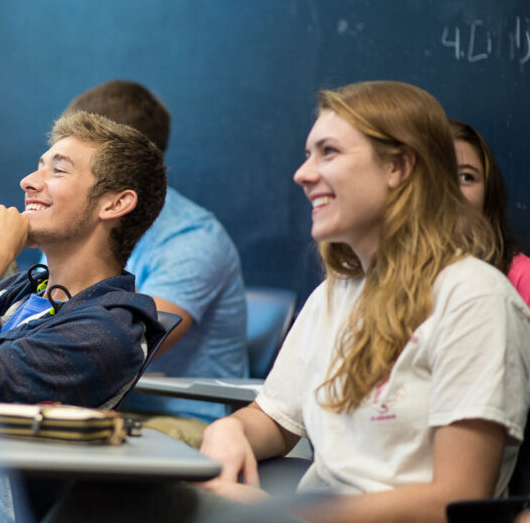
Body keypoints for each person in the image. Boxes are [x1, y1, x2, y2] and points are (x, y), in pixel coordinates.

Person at [47, 81, 530, 523]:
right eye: (307, 154)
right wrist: (229, 433)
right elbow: (274, 419)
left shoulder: (475, 298)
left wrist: (293, 514)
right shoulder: (335, 295)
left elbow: (457, 496)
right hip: (302, 509)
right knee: (98, 495)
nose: (303, 174)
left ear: (398, 167)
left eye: (329, 152)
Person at [0, 111, 168, 409]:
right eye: (39, 167)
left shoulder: (105, 334)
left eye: (58, 171)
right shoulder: (18, 291)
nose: (28, 182)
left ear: (115, 204)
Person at [58, 79, 247, 425]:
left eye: (70, 161)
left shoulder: (193, 239)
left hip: (181, 419)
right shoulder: (73, 225)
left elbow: (120, 350)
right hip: (94, 404)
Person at [450, 119, 530, 306]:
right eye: (438, 177)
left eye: (466, 177)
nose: (451, 191)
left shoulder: (522, 278)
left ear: (488, 191)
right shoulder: (393, 278)